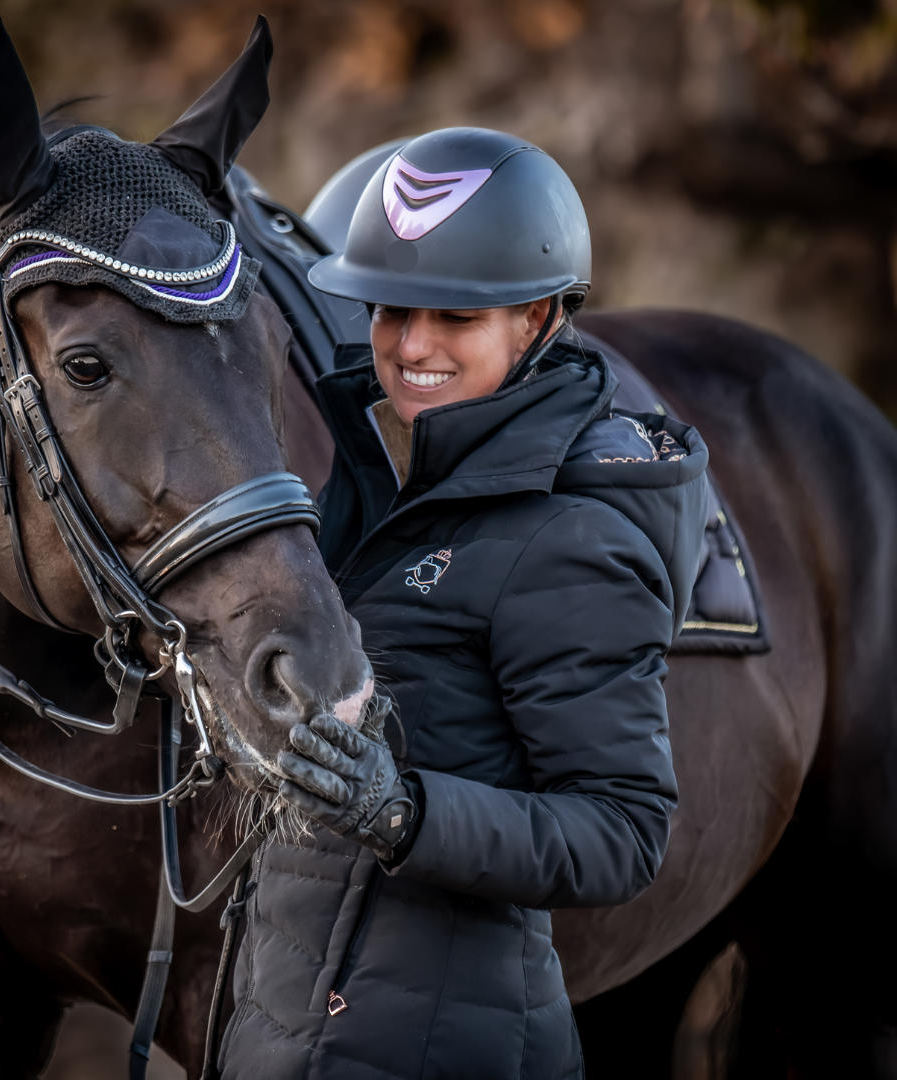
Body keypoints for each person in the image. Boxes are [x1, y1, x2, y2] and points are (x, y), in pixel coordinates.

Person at [218, 127, 709, 1080]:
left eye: (456, 317)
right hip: (288, 1029)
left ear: (537, 320)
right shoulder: (367, 482)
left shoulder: (573, 542)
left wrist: (406, 816)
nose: (411, 346)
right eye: (392, 308)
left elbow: (622, 832)